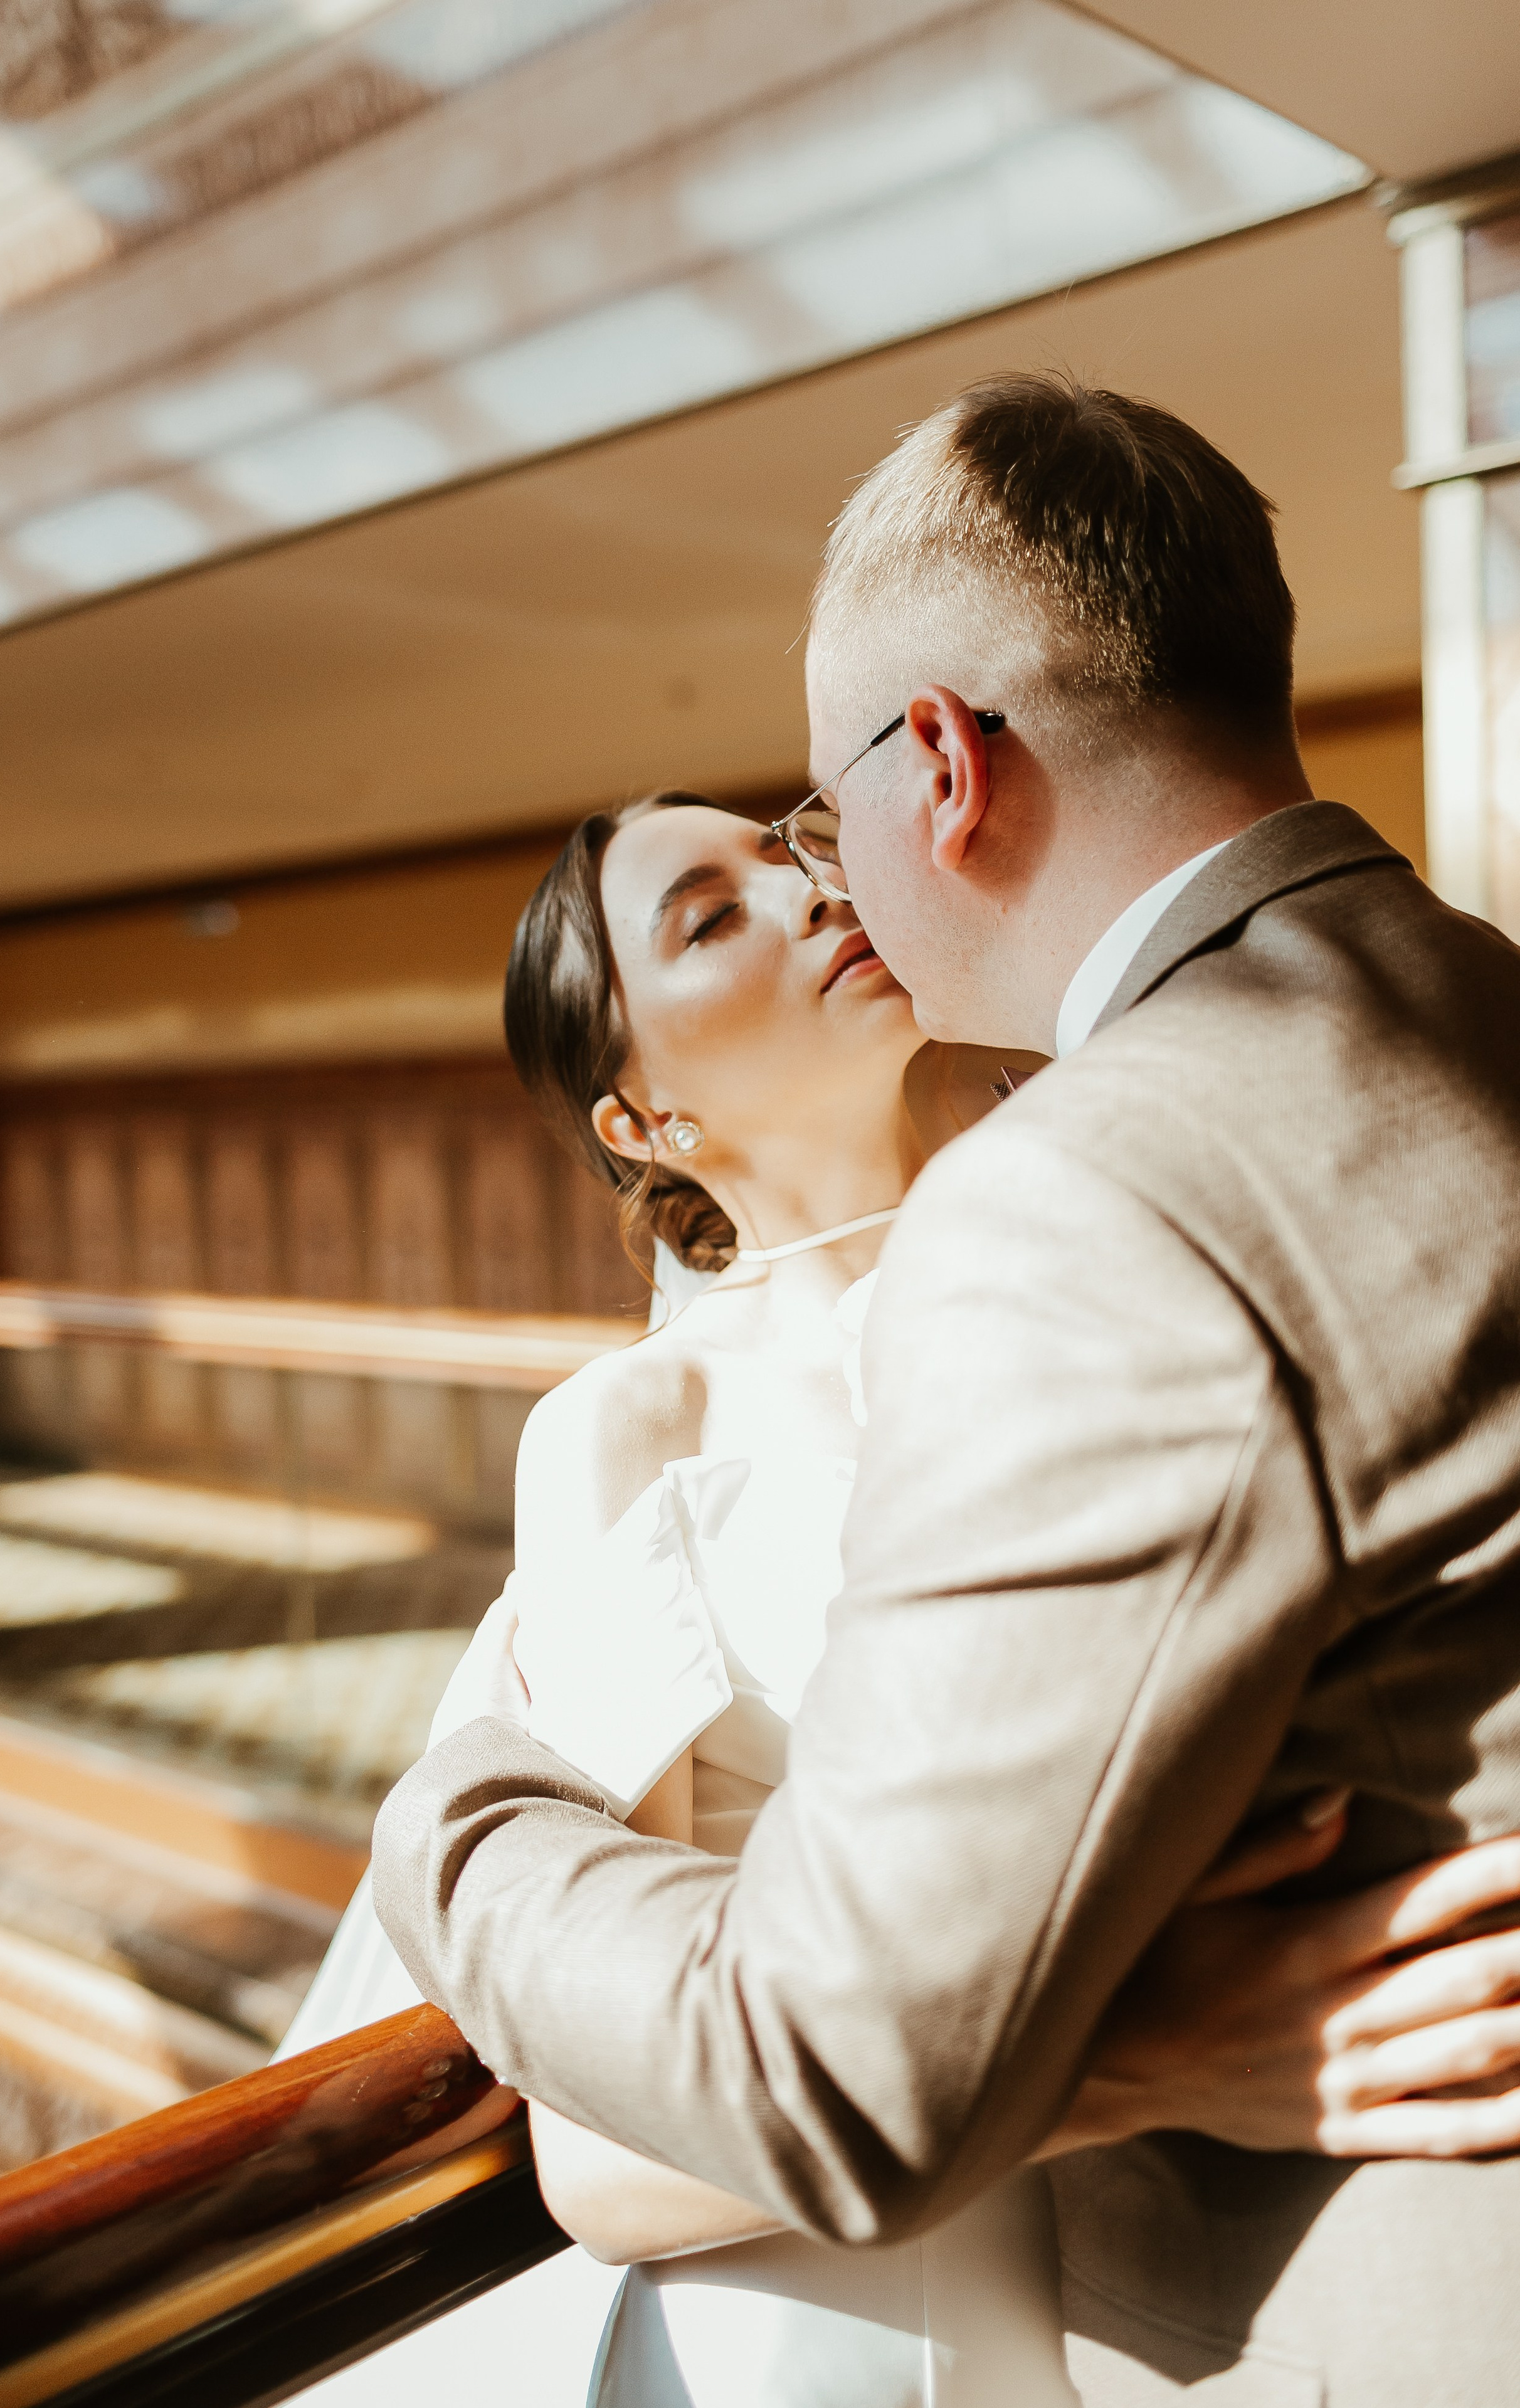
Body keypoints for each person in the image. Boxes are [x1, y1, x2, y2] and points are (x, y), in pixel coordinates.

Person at [372, 374, 1520, 2405]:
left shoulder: (1082, 1210)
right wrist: (1151, 2048)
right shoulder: (1448, 1023)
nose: (824, 892)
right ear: (642, 1118)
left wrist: (451, 1816)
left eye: (809, 830)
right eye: (720, 903)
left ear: (942, 767)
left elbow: (836, 2062)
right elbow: (609, 2142)